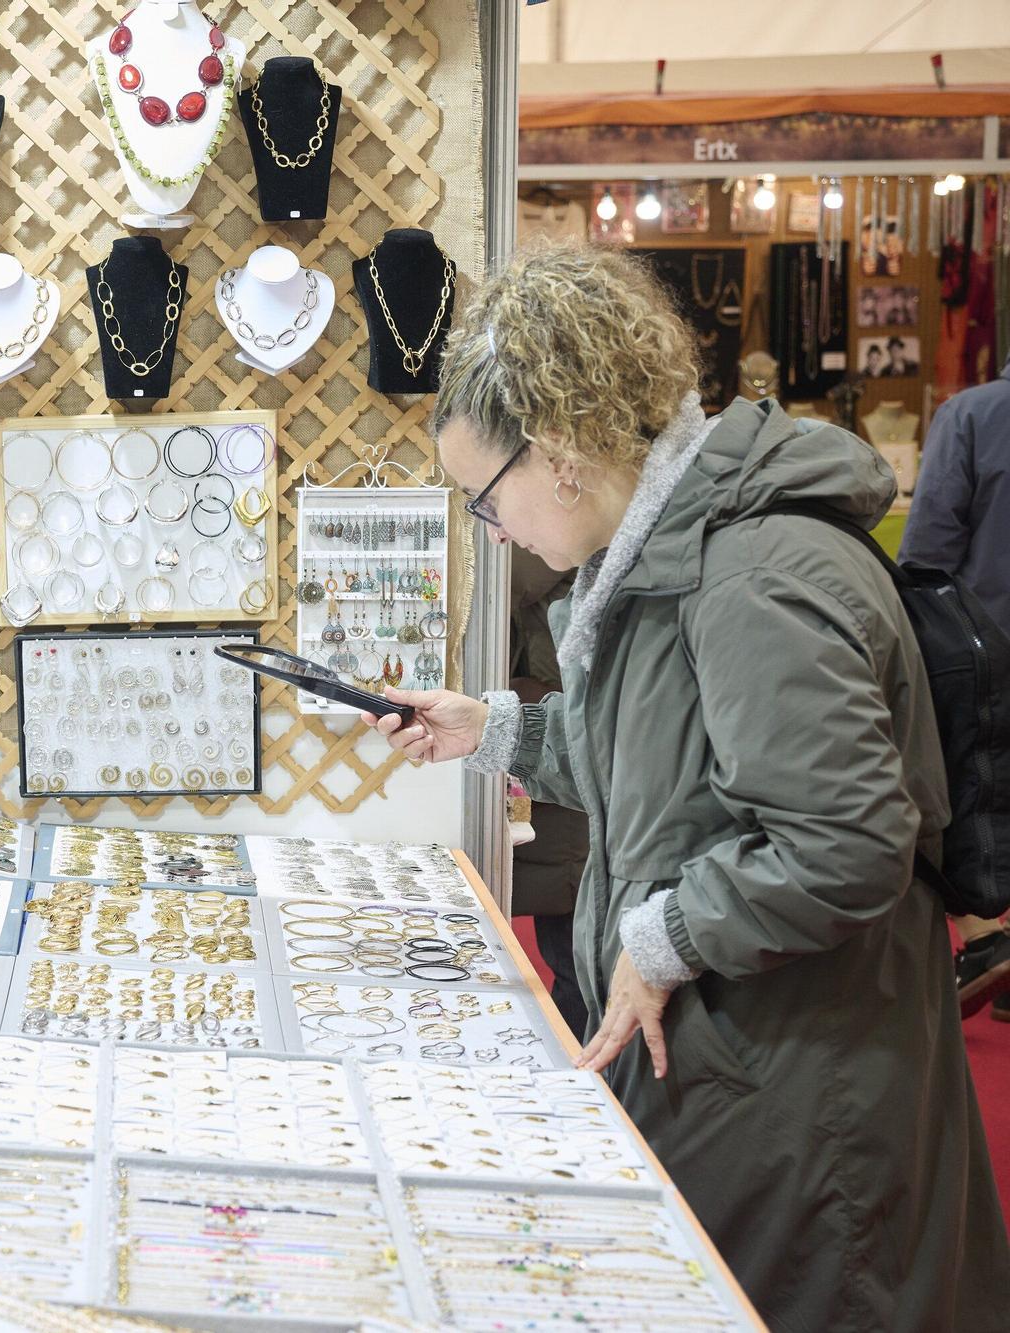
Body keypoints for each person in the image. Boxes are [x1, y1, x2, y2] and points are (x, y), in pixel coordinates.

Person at [365, 242, 1009, 1332]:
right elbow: (671, 761)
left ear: (557, 451)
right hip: (746, 1069)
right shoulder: (667, 555)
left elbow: (842, 841)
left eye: (484, 498)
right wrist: (498, 729)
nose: (496, 530)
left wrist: (662, 933)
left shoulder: (753, 573)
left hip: (807, 1108)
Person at [902, 351, 1010, 1018]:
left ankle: (982, 934)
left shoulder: (971, 414)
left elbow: (926, 554)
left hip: (986, 647)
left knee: (963, 798)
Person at [507, 545, 589, 1037]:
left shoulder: (565, 573)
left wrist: (513, 700)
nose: (497, 535)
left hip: (564, 800)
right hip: (553, 797)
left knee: (576, 963)